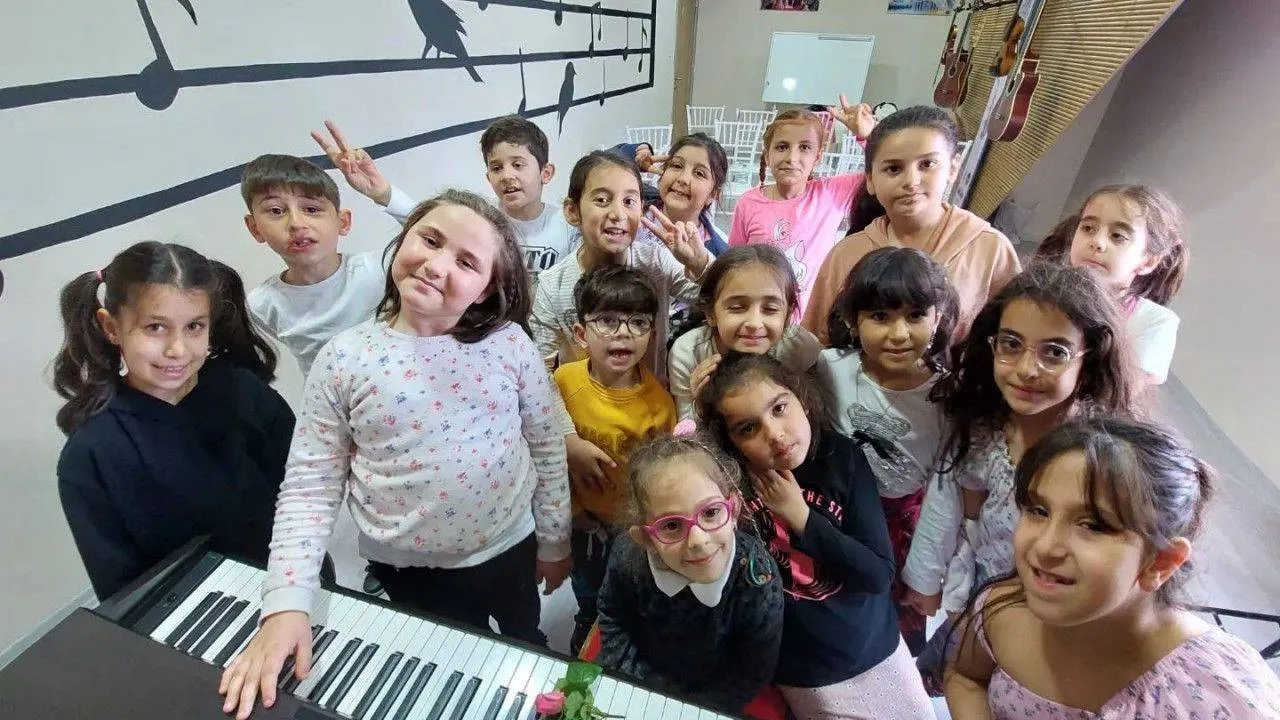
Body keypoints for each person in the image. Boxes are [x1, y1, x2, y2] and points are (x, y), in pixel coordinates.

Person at [218, 190, 572, 720]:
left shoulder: (510, 344)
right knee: (450, 668)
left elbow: (545, 444)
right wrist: (286, 601)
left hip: (509, 546)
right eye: (429, 240)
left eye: (467, 262)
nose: (436, 265)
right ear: (403, 238)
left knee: (524, 635)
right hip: (411, 570)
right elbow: (309, 487)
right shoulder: (344, 358)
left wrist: (556, 539)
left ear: (487, 288)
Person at [946, 418, 1280, 719]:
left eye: (1092, 525)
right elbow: (965, 677)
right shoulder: (1001, 609)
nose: (1045, 547)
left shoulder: (1221, 699)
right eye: (1039, 510)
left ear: (1161, 561)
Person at [699, 353, 936, 718]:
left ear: (802, 397)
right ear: (731, 443)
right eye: (748, 429)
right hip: (801, 672)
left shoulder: (842, 457)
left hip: (873, 650)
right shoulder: (731, 480)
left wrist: (801, 517)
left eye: (779, 408)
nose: (775, 434)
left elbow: (877, 574)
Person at [54, 241, 287, 601]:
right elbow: (124, 592)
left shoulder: (244, 391)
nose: (177, 350)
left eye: (194, 326)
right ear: (111, 327)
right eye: (155, 327)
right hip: (192, 615)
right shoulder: (89, 455)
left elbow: (304, 495)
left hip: (291, 582)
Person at [240, 152, 388, 596]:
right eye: (275, 211)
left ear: (343, 221)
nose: (296, 224)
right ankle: (383, 559)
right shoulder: (263, 304)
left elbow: (440, 236)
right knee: (367, 491)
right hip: (337, 417)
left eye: (311, 208)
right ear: (254, 228)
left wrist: (383, 193)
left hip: (399, 401)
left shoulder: (375, 270)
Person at [817, 246, 960, 654]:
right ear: (852, 319)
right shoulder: (830, 368)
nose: (899, 334)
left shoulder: (947, 396)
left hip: (901, 531)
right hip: (836, 518)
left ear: (938, 318)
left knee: (889, 637)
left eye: (915, 316)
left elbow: (945, 494)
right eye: (880, 316)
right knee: (835, 621)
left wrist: (925, 576)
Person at [596, 434, 784, 715]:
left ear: (733, 510)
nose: (697, 540)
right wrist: (637, 689)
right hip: (640, 677)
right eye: (672, 525)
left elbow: (753, 669)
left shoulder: (757, 578)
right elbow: (612, 615)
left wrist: (692, 710)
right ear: (645, 539)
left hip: (711, 695)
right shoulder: (628, 557)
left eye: (711, 512)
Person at [804, 105, 1021, 343]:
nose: (911, 181)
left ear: (953, 168)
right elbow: (815, 341)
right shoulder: (846, 253)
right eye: (893, 169)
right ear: (871, 180)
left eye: (927, 164)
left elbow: (1015, 341)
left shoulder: (989, 249)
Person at [554, 265, 677, 653]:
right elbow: (550, 453)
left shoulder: (659, 406)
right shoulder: (564, 381)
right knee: (586, 580)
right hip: (579, 516)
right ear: (581, 334)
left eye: (638, 322)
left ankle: (620, 622)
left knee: (626, 580)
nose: (624, 332)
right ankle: (587, 616)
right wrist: (574, 510)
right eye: (607, 320)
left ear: (651, 334)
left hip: (630, 525)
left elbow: (658, 479)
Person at [313, 116, 577, 283]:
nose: (507, 176)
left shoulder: (569, 225)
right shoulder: (483, 222)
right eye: (497, 168)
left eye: (518, 165)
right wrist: (381, 191)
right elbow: (424, 220)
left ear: (546, 173)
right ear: (488, 178)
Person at [728, 98, 877, 315]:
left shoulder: (830, 194)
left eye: (805, 148)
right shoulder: (748, 202)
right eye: (782, 147)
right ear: (767, 155)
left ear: (817, 157)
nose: (792, 157)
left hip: (811, 319)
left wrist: (868, 136)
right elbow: (735, 263)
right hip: (761, 317)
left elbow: (881, 172)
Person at [1033, 184, 1188, 385]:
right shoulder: (1035, 293)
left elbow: (1117, 392)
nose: (1097, 242)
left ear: (1149, 261)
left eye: (1117, 236)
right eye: (1088, 228)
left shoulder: (1153, 321)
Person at [669, 245, 821, 421]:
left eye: (770, 309)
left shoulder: (801, 347)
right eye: (737, 308)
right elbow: (685, 430)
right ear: (711, 313)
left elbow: (814, 413)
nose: (754, 323)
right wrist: (700, 406)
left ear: (787, 316)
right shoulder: (689, 354)